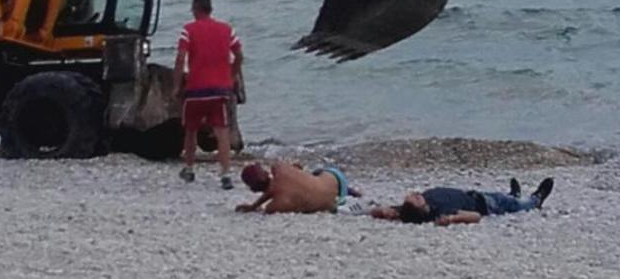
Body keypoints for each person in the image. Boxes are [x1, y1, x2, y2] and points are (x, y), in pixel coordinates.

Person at [172, 0, 243, 190]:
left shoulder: (189, 30)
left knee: (191, 130)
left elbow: (180, 57)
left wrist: (177, 85)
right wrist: (232, 75)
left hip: (196, 89)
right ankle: (226, 173)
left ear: (196, 9)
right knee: (221, 131)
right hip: (220, 89)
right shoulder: (227, 30)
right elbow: (239, 54)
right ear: (211, 9)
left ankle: (189, 168)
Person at [370, 177, 554, 226]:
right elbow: (475, 216)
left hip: (474, 194)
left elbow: (376, 211)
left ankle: (513, 195)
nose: (416, 193)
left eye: (413, 194)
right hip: (485, 203)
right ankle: (536, 200)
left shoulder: (405, 210)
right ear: (422, 208)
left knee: (506, 198)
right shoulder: (441, 213)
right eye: (416, 198)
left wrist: (385, 212)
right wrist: (452, 220)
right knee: (519, 205)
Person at [235, 162, 359, 214]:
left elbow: (273, 192)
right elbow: (298, 166)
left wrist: (254, 207)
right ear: (266, 173)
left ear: (253, 189)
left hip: (336, 202)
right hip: (335, 176)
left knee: (304, 191)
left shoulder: (276, 205)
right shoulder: (279, 168)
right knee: (312, 176)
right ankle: (352, 191)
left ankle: (349, 193)